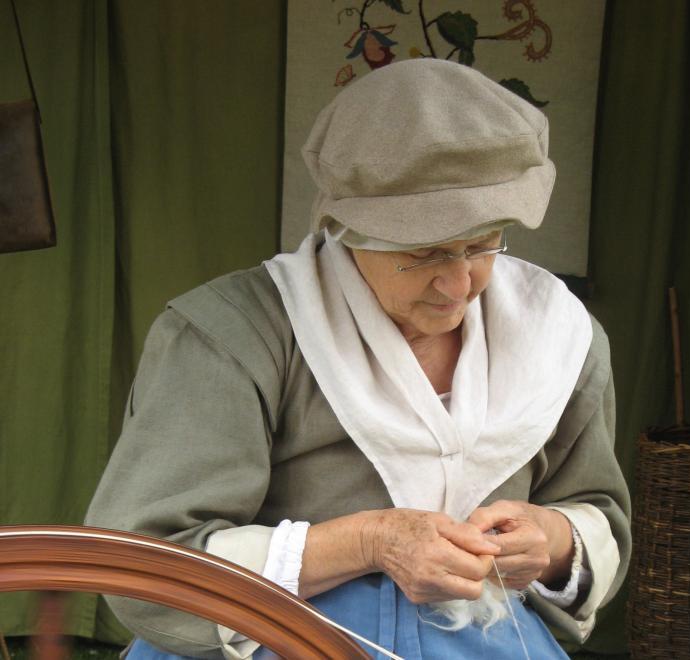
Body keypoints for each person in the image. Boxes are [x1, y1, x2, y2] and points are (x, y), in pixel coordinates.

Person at [86, 58, 631, 660]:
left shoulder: (556, 335)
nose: (458, 284)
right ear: (348, 230)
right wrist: (370, 540)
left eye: (482, 245)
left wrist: (552, 541)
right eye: (424, 254)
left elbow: (596, 510)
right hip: (277, 638)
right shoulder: (235, 334)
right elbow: (146, 560)